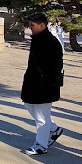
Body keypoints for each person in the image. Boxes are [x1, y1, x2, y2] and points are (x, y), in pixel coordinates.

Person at [21, 13, 64, 155]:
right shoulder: (37, 39)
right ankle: (53, 129)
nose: (30, 28)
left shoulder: (51, 42)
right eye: (29, 25)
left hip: (45, 85)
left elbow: (56, 66)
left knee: (41, 117)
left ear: (42, 25)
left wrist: (46, 80)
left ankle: (41, 145)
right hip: (33, 83)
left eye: (32, 25)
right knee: (29, 105)